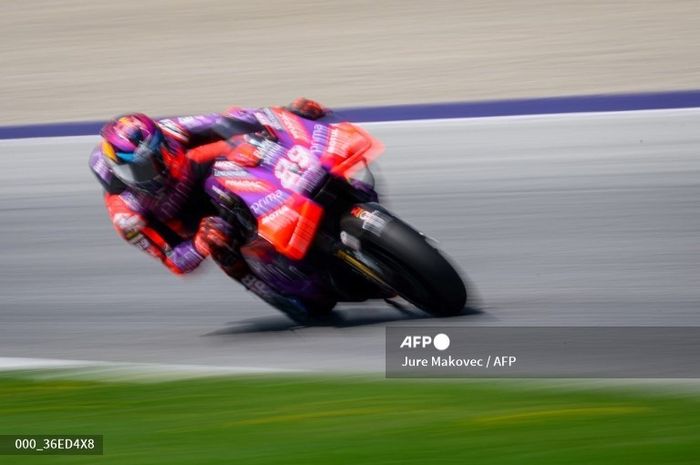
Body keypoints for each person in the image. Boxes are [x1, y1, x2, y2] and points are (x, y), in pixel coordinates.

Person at [89, 99, 329, 317]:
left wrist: (288, 114)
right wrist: (199, 244)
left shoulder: (172, 129)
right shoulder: (126, 213)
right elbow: (174, 262)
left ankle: (307, 195)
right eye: (138, 170)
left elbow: (231, 119)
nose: (151, 172)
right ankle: (263, 286)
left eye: (156, 159)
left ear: (162, 144)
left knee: (244, 143)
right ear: (117, 170)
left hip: (194, 174)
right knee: (219, 240)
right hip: (182, 219)